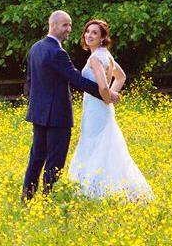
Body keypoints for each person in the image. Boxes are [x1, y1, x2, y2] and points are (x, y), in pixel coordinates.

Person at [20, 10, 120, 203]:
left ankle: (27, 199)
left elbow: (30, 82)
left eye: (71, 25)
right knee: (55, 161)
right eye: (66, 25)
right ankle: (50, 200)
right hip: (57, 116)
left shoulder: (35, 48)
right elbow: (77, 80)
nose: (69, 30)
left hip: (39, 114)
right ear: (54, 25)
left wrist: (36, 106)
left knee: (37, 157)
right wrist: (106, 94)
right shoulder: (57, 52)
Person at [67, 19, 154, 201]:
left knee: (94, 146)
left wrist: (108, 98)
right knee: (105, 146)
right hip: (100, 109)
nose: (89, 35)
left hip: (96, 109)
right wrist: (111, 97)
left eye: (95, 33)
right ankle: (107, 190)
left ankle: (93, 193)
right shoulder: (106, 55)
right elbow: (120, 77)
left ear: (102, 38)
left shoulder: (94, 58)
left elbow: (103, 87)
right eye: (87, 31)